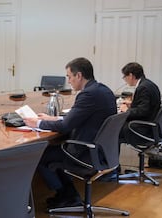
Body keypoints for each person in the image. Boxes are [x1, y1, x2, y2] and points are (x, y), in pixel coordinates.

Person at [23, 57, 117, 209]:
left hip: (86, 152)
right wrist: (55, 118)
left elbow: (66, 127)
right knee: (54, 152)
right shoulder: (103, 90)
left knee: (41, 155)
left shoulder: (87, 95)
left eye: (69, 76)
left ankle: (66, 195)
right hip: (103, 151)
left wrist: (38, 123)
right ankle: (68, 195)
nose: (69, 80)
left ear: (79, 75)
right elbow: (81, 116)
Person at [119, 62, 161, 145]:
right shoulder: (148, 84)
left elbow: (142, 111)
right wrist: (132, 105)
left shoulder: (143, 88)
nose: (124, 79)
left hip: (143, 127)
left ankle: (110, 157)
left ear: (131, 76)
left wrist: (127, 110)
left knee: (113, 130)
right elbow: (146, 106)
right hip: (150, 123)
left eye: (124, 76)